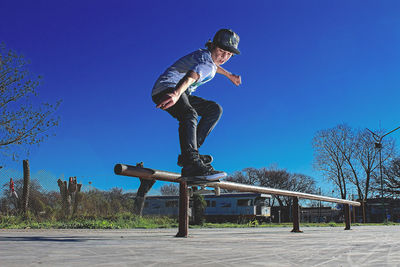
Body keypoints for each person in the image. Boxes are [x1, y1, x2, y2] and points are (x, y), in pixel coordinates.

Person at [151, 29, 241, 180]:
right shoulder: (206, 63)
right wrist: (176, 93)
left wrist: (229, 75)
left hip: (179, 91)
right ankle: (191, 163)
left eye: (229, 54)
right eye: (221, 51)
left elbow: (215, 66)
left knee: (214, 109)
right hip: (168, 89)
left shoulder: (207, 58)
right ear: (212, 46)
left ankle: (190, 155)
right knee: (189, 113)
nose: (224, 57)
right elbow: (192, 75)